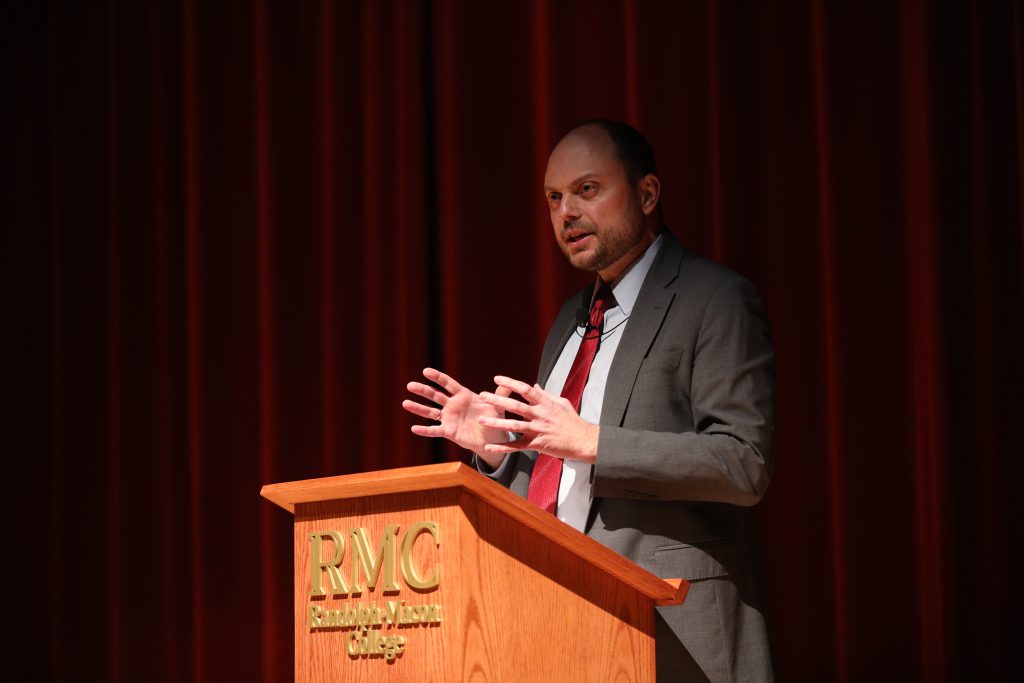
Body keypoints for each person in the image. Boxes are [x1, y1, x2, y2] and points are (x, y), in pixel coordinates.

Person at [402, 119, 775, 682]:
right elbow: (562, 485)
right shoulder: (570, 323)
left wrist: (593, 441)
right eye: (554, 198)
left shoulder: (714, 299)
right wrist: (503, 453)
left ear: (647, 193)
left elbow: (743, 463)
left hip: (677, 631)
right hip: (565, 626)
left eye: (587, 190)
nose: (566, 213)